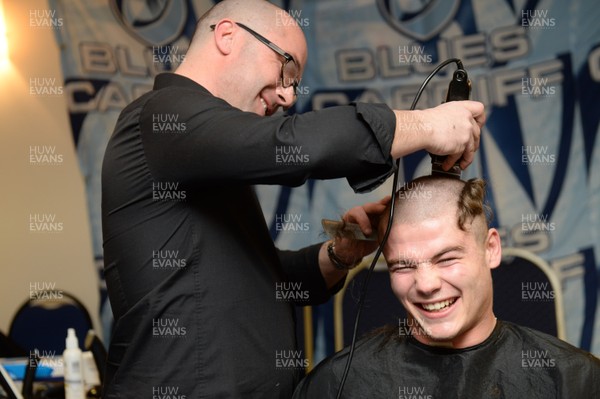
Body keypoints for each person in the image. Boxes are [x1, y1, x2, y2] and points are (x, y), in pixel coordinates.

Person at [100, 0, 486, 396]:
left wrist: (341, 252)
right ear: (228, 36)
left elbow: (259, 277)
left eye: (295, 84)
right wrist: (427, 125)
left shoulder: (202, 156)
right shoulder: (160, 116)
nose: (287, 97)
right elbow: (292, 143)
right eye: (287, 70)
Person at [292, 176, 600, 398]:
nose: (426, 285)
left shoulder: (574, 378)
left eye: (446, 259)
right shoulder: (339, 384)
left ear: (491, 249)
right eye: (403, 265)